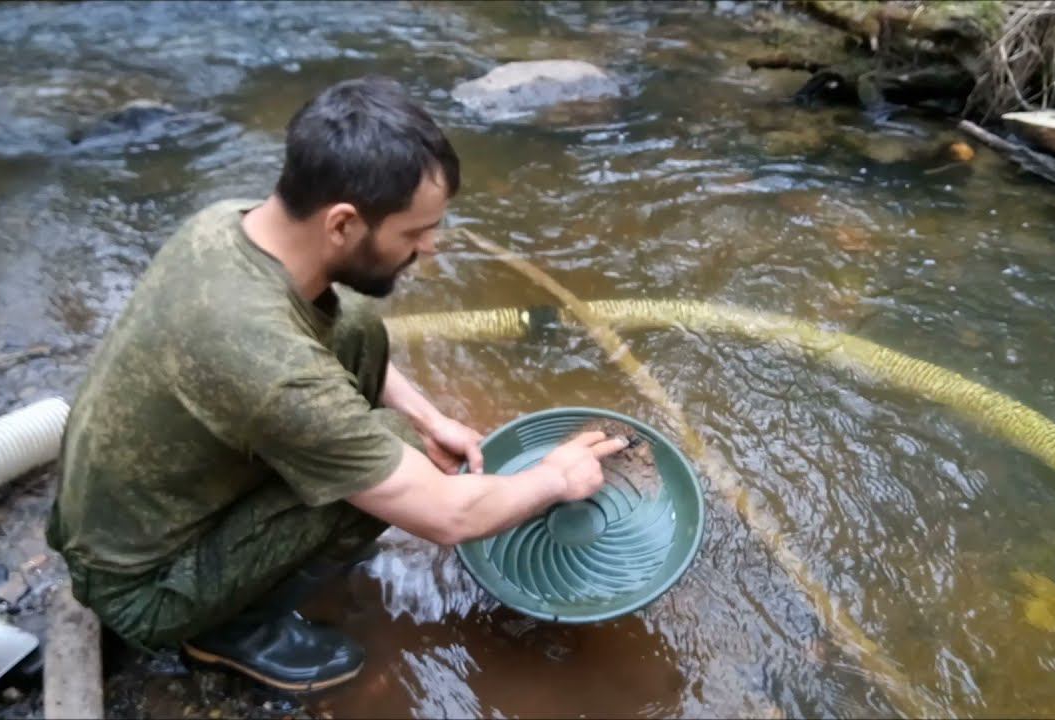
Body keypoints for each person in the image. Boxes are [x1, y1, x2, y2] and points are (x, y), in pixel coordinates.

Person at [46, 76, 628, 693]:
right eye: (414, 232)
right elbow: (448, 516)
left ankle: (289, 547)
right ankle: (228, 631)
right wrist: (555, 478)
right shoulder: (264, 360)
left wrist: (431, 418)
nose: (431, 248)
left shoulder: (226, 225)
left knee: (354, 323)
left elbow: (310, 356)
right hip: (148, 588)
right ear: (343, 223)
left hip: (122, 520)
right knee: (393, 445)